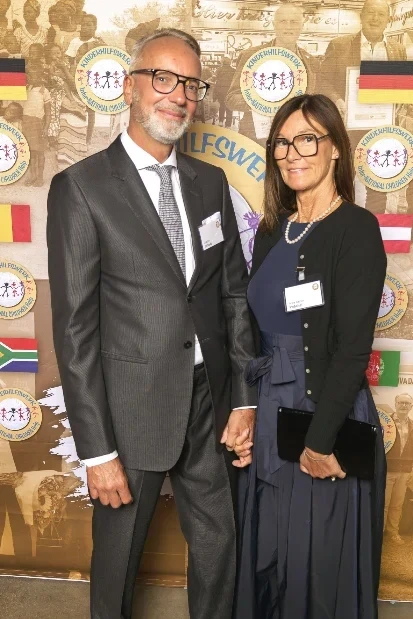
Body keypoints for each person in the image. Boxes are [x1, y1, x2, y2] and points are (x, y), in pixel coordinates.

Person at [47, 27, 257, 619]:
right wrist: (97, 452)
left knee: (219, 544)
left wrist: (244, 398)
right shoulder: (82, 188)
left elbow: (232, 296)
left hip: (208, 399)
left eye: (190, 83)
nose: (178, 95)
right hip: (129, 409)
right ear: (130, 86)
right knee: (118, 559)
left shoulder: (210, 184)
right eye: (163, 78)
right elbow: (75, 332)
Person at [233, 93, 387, 619]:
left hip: (324, 412)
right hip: (270, 405)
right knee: (268, 553)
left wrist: (320, 441)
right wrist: (248, 411)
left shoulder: (356, 229)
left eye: (306, 139)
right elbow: (253, 332)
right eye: (282, 142)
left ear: (335, 148)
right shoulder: (271, 228)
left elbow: (352, 350)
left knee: (315, 561)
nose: (291, 153)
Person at [317, 0, 406, 214]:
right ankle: (341, 225)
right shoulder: (340, 45)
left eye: (381, 14)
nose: (375, 19)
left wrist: (399, 105)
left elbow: (401, 87)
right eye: (371, 13)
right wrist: (337, 100)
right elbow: (322, 81)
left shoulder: (397, 49)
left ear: (388, 20)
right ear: (362, 16)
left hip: (381, 130)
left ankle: (371, 226)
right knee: (343, 179)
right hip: (348, 128)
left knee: (378, 183)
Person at [226, 3, 318, 147]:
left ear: (302, 26)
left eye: (294, 22)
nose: (288, 27)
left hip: (295, 141)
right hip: (256, 140)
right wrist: (261, 103)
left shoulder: (311, 62)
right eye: (283, 21)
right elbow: (231, 99)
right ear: (274, 25)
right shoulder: (251, 56)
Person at [384, 393, 413, 545]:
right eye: (401, 402)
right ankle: (379, 533)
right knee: (384, 504)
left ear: (411, 406)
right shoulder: (384, 422)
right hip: (387, 470)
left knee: (397, 505)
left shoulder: (412, 425)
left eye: (407, 403)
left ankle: (392, 533)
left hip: (404, 472)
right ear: (395, 404)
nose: (404, 405)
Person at [22, 66, 51, 186]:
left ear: (41, 76)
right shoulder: (27, 89)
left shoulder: (44, 91)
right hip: (26, 122)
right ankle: (33, 176)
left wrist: (46, 127)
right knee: (31, 152)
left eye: (35, 75)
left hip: (38, 124)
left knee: (40, 152)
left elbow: (48, 113)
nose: (32, 77)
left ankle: (40, 177)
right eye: (30, 75)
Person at [214, 56, 235, 128]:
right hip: (230, 91)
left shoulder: (219, 69)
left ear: (222, 62)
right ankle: (228, 124)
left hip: (220, 90)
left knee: (222, 106)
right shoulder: (233, 70)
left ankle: (220, 121)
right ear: (230, 62)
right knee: (229, 107)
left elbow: (214, 78)